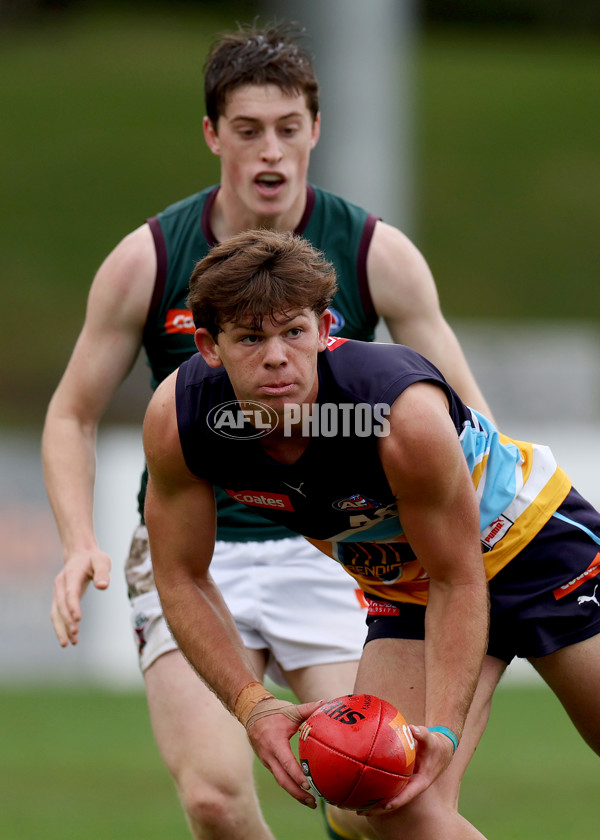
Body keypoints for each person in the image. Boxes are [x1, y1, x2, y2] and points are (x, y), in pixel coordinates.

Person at [41, 21, 493, 840]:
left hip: (335, 547)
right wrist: (79, 539)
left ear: (316, 130)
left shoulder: (374, 252)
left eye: (288, 128)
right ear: (214, 134)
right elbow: (71, 413)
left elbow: (465, 408)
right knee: (215, 798)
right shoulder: (148, 259)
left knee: (367, 793)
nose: (271, 152)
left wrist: (489, 530)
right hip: (194, 553)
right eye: (248, 130)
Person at [143, 228, 600, 840]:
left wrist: (442, 730)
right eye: (251, 337)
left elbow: (460, 575)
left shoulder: (397, 412)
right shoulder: (184, 422)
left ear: (326, 327)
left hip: (539, 549)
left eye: (294, 332)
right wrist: (254, 708)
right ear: (208, 346)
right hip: (412, 588)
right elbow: (179, 576)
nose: (277, 356)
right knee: (394, 806)